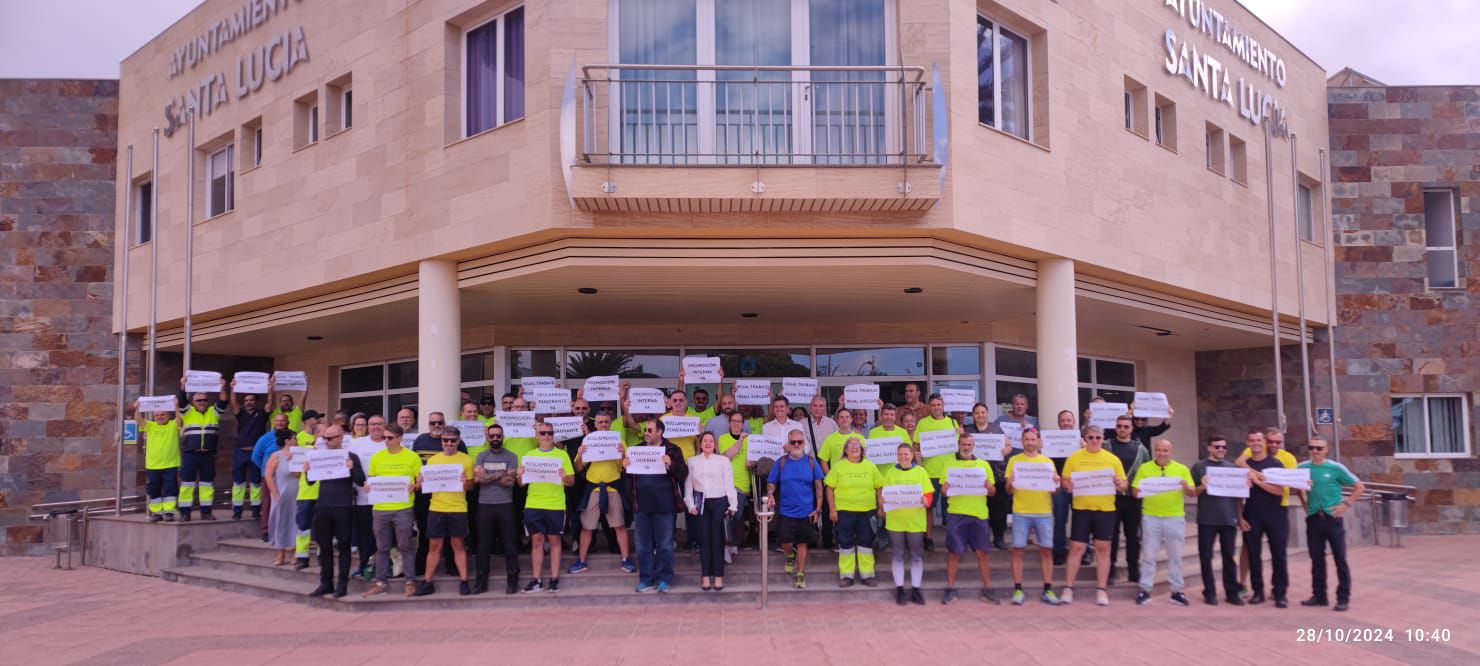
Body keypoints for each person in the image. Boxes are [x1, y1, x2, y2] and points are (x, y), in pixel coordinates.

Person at [1059, 425, 1128, 607]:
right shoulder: (1074, 458)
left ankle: (1101, 589)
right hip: (1082, 509)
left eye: (1098, 437)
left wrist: (1120, 483)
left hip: (1105, 510)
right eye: (1091, 437)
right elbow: (1065, 480)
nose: (1095, 441)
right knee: (1076, 548)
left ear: (1103, 438)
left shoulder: (1112, 459)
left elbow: (1124, 485)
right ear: (1085, 438)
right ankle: (1068, 587)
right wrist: (1068, 485)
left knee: (1103, 549)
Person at [1299, 438, 1364, 612]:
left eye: (1319, 448)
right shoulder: (1302, 468)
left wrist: (1346, 504)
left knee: (1340, 559)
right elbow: (1295, 486)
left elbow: (1359, 486)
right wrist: (1304, 502)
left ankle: (1343, 598)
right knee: (1316, 559)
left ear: (1326, 450)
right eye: (1311, 447)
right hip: (1313, 518)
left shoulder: (1336, 468)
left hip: (1332, 519)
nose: (1315, 451)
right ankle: (1319, 596)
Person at [568, 411, 636, 576]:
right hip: (593, 488)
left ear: (610, 423)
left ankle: (626, 559)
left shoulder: (618, 441)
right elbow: (577, 468)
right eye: (600, 422)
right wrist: (580, 454)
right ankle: (582, 561)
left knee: (619, 526)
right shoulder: (588, 441)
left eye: (606, 421)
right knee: (587, 527)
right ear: (595, 424)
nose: (603, 424)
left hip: (613, 488)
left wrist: (623, 453)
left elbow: (627, 466)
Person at [303, 426, 366, 598]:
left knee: (344, 545)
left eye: (330, 438)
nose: (326, 442)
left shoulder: (351, 456)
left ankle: (342, 584)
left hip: (343, 506)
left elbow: (361, 481)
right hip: (323, 505)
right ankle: (326, 583)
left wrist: (352, 468)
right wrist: (307, 470)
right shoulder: (318, 457)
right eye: (324, 438)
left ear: (340, 438)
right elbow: (310, 481)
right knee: (324, 546)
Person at [626, 417, 688, 593]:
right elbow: (629, 478)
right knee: (643, 545)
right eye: (645, 430)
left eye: (650, 430)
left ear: (660, 432)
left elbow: (683, 473)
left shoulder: (672, 449)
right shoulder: (636, 450)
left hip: (664, 505)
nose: (646, 433)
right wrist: (625, 467)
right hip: (642, 505)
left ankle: (664, 579)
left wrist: (671, 464)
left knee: (665, 545)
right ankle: (646, 579)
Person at [1131, 439, 1196, 606]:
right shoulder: (1145, 468)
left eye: (1165, 450)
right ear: (1155, 451)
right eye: (1159, 450)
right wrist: (1138, 490)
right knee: (1149, 555)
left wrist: (1186, 487)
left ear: (1171, 451)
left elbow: (1192, 492)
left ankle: (1177, 591)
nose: (1162, 453)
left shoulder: (1181, 469)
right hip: (1151, 516)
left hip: (1174, 517)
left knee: (1175, 556)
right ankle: (1145, 590)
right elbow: (1135, 491)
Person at [1235, 426, 1298, 596]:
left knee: (1278, 553)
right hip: (1252, 512)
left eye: (1277, 442)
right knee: (1253, 554)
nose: (1273, 444)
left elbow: (1283, 489)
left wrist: (1258, 481)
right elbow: (1237, 491)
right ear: (1249, 443)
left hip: (1277, 511)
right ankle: (1257, 592)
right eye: (1253, 441)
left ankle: (1279, 593)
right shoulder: (1246, 460)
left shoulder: (1279, 462)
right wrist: (1240, 517)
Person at [415, 427, 475, 596]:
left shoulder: (466, 460)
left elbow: (471, 486)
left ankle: (464, 581)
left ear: (458, 441)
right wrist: (421, 481)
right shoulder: (433, 461)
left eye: (452, 440)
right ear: (441, 441)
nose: (449, 443)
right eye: (445, 440)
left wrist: (465, 482)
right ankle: (427, 582)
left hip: (458, 508)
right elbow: (425, 486)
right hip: (436, 507)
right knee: (434, 547)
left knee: (458, 545)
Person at [940, 432, 999, 605]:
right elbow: (943, 493)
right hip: (956, 514)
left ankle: (988, 589)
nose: (966, 447)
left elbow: (993, 492)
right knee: (954, 553)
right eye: (963, 444)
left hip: (978, 514)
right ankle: (949, 589)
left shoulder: (983, 465)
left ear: (973, 446)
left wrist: (990, 487)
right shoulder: (949, 465)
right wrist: (944, 488)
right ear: (958, 445)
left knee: (982, 553)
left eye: (969, 444)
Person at [363, 424, 422, 598]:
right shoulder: (377, 457)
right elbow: (371, 480)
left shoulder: (412, 457)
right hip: (380, 508)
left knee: (405, 546)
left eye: (389, 438)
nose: (386, 441)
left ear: (400, 438)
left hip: (403, 508)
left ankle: (410, 581)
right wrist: (368, 486)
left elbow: (420, 482)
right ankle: (380, 582)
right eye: (384, 438)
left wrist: (415, 486)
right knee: (382, 547)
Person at [1005, 428, 1061, 605]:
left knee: (1046, 551)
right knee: (1018, 550)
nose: (1029, 442)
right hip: (1021, 511)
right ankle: (1018, 589)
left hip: (1043, 512)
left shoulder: (1048, 462)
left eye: (1032, 439)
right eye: (1026, 439)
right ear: (1022, 442)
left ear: (1038, 441)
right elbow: (1008, 490)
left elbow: (1056, 491)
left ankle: (1048, 589)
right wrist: (1009, 482)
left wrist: (1056, 483)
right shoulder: (1014, 461)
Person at [518, 422, 575, 593]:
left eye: (550, 433)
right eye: (543, 433)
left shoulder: (562, 455)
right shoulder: (529, 455)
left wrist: (565, 477)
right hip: (534, 503)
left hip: (555, 504)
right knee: (536, 542)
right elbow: (521, 484)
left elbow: (571, 482)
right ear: (537, 435)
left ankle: (554, 578)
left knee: (555, 540)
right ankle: (536, 580)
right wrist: (520, 475)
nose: (547, 436)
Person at [1191, 436, 1246, 606]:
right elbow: (1191, 492)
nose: (1221, 449)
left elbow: (1238, 497)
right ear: (1209, 448)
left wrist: (1240, 517)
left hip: (1228, 519)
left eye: (1223, 447)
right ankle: (1210, 592)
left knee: (1229, 557)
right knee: (1206, 557)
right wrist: (1202, 486)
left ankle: (1232, 592)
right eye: (1217, 447)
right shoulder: (1199, 467)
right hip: (1207, 519)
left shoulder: (1232, 468)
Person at [766, 428, 824, 589]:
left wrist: (818, 509)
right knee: (785, 542)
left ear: (804, 443)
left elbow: (819, 486)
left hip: (806, 512)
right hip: (786, 511)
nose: (797, 444)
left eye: (800, 442)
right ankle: (790, 555)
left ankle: (800, 573)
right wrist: (770, 493)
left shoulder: (811, 462)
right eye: (793, 442)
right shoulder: (781, 462)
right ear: (788, 444)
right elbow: (772, 482)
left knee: (802, 542)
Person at [824, 436, 882, 587]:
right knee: (845, 544)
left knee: (866, 544)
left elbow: (878, 488)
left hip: (867, 511)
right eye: (850, 444)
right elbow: (829, 488)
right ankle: (847, 576)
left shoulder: (870, 466)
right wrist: (832, 509)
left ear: (862, 449)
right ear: (845, 449)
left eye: (857, 444)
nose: (854, 447)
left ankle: (867, 575)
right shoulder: (838, 466)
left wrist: (881, 507)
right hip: (844, 511)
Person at [685, 432, 739, 590]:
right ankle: (706, 576)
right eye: (705, 441)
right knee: (704, 541)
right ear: (700, 444)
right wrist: (690, 504)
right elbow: (688, 486)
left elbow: (729, 484)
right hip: (701, 503)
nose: (708, 443)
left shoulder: (723, 461)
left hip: (719, 502)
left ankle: (719, 576)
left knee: (717, 540)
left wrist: (733, 505)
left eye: (711, 441)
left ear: (715, 444)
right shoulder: (692, 461)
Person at [473, 423, 522, 595]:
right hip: (484, 504)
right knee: (483, 545)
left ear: (503, 437)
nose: (495, 439)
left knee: (509, 544)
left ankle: (512, 580)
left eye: (498, 436)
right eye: (492, 436)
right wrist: (501, 474)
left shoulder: (511, 456)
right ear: (487, 437)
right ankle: (481, 581)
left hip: (505, 504)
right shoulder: (481, 455)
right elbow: (478, 479)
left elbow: (510, 482)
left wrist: (488, 476)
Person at [881, 442, 932, 605]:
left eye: (906, 454)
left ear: (912, 455)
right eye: (900, 454)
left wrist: (926, 501)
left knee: (916, 556)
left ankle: (916, 589)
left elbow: (928, 495)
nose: (903, 457)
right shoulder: (890, 473)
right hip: (895, 521)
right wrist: (882, 501)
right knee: (897, 555)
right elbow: (884, 494)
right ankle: (900, 589)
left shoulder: (921, 472)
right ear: (897, 456)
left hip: (915, 521)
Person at [1106, 414, 1150, 585]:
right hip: (1112, 498)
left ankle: (1134, 570)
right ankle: (1110, 570)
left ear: (1131, 428)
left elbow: (1146, 472)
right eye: (1119, 426)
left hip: (1133, 500)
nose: (1122, 429)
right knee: (1112, 536)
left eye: (1126, 426)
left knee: (1132, 536)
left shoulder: (1141, 449)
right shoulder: (1107, 446)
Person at [177, 376, 228, 521]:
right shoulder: (187, 412)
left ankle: (206, 511)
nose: (202, 402)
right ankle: (185, 513)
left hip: (208, 455)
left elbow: (223, 402)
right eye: (199, 400)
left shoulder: (213, 412)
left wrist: (222, 387)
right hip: (190, 454)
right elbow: (181, 400)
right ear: (193, 402)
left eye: (205, 400)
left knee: (207, 484)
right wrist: (183, 385)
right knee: (187, 484)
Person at [963, 403, 1011, 550]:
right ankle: (974, 539)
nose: (980, 415)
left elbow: (1008, 445)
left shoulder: (996, 429)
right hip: (973, 476)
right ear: (973, 415)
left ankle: (998, 538)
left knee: (998, 509)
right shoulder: (968, 430)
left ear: (988, 414)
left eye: (983, 412)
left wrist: (1006, 450)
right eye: (977, 413)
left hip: (995, 474)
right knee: (974, 509)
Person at [916, 394, 961, 549]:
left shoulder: (953, 423)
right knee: (928, 507)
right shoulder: (922, 423)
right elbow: (916, 446)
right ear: (929, 407)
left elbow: (960, 445)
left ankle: (951, 538)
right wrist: (919, 460)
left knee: (951, 509)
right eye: (933, 405)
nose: (936, 407)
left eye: (938, 404)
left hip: (950, 474)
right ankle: (928, 538)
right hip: (930, 474)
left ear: (943, 406)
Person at [347, 415, 387, 580]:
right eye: (372, 424)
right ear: (368, 427)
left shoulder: (390, 442)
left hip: (387, 499)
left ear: (384, 426)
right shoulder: (357, 444)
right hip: (363, 498)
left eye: (379, 424)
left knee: (385, 536)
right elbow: (352, 467)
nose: (376, 427)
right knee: (365, 535)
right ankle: (364, 565)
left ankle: (386, 568)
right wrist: (361, 482)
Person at [716, 411, 755, 563]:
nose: (736, 424)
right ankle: (726, 545)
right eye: (733, 421)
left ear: (743, 423)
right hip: (727, 483)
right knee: (728, 515)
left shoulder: (750, 440)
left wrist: (753, 462)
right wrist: (740, 441)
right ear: (729, 423)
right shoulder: (723, 438)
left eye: (739, 421)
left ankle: (732, 543)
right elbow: (727, 456)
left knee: (738, 516)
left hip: (743, 482)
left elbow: (755, 460)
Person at [134, 399, 181, 522]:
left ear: (168, 415)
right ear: (154, 417)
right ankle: (157, 512)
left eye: (163, 414)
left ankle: (169, 512)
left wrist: (176, 407)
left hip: (170, 464)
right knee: (153, 490)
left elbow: (180, 419)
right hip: (153, 465)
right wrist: (137, 407)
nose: (160, 417)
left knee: (170, 488)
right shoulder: (150, 426)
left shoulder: (172, 425)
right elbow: (138, 419)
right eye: (157, 415)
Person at [229, 380, 269, 521]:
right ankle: (237, 510)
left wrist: (271, 389)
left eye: (251, 400)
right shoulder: (240, 414)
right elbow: (233, 405)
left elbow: (270, 405)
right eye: (246, 400)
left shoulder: (262, 413)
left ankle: (255, 510)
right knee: (238, 483)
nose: (248, 402)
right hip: (240, 452)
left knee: (255, 483)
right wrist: (232, 388)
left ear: (256, 402)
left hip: (256, 453)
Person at [290, 410, 323, 569]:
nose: (318, 421)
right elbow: (295, 470)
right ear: (309, 420)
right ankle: (302, 557)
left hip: (324, 491)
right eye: (316, 418)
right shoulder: (299, 438)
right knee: (303, 525)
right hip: (305, 491)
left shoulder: (326, 441)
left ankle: (322, 555)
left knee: (322, 526)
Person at [263, 430, 298, 564]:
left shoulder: (298, 455)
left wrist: (294, 463)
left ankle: (294, 553)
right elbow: (268, 475)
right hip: (281, 493)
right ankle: (280, 553)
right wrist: (275, 492)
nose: (296, 441)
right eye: (294, 438)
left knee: (296, 522)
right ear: (287, 441)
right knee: (280, 522)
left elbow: (299, 475)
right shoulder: (276, 455)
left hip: (296, 493)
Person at [1050, 410, 1076, 565]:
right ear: (1059, 423)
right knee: (1060, 519)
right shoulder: (1052, 441)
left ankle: (1085, 551)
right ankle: (1059, 551)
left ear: (1074, 422)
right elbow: (1047, 463)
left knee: (1081, 520)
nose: (1066, 423)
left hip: (1079, 486)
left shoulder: (1081, 441)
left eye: (1068, 420)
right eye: (1063, 420)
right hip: (1059, 486)